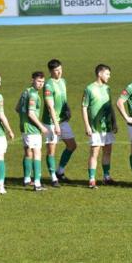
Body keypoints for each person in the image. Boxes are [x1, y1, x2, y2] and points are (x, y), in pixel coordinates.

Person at [82, 64, 118, 189]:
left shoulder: (107, 88)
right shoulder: (89, 89)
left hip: (107, 126)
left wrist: (114, 122)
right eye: (107, 74)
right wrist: (87, 125)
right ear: (99, 74)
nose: (109, 76)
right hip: (95, 127)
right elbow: (84, 107)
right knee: (95, 152)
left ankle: (106, 177)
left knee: (107, 151)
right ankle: (92, 179)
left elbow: (110, 106)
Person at [42, 59, 77, 187]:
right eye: (56, 70)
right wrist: (56, 124)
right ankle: (53, 178)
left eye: (60, 69)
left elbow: (63, 99)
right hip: (52, 122)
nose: (59, 72)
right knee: (51, 150)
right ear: (51, 71)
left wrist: (67, 110)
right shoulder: (48, 85)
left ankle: (60, 171)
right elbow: (50, 106)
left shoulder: (63, 81)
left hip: (62, 120)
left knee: (72, 145)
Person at [16, 71, 48, 191]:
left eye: (43, 82)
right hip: (32, 129)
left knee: (28, 153)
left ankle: (26, 179)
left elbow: (17, 108)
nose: (41, 84)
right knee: (37, 153)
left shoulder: (25, 92)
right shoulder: (34, 95)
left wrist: (23, 119)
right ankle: (37, 184)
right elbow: (31, 113)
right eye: (39, 81)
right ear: (32, 80)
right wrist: (41, 126)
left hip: (23, 127)